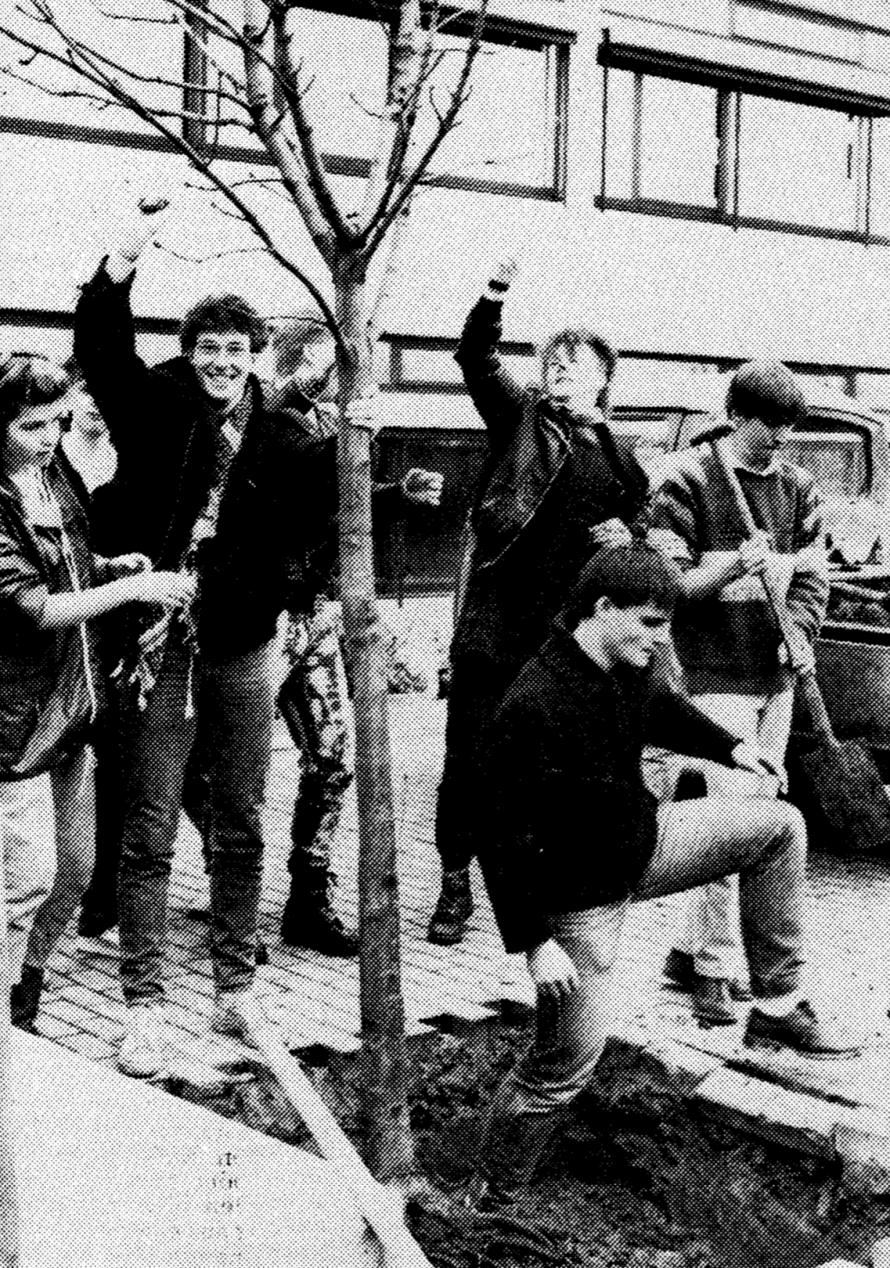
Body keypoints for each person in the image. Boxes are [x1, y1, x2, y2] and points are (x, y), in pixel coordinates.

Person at [464, 544, 858, 1212]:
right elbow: (497, 832)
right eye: (649, 622)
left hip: (641, 846)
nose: (660, 637)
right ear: (602, 608)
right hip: (575, 899)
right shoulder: (535, 701)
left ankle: (775, 1007)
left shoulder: (625, 665)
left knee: (779, 827)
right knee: (566, 1064)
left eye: (665, 623)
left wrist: (735, 748)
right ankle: (489, 1195)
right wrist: (534, 942)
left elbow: (664, 709)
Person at [73, 194, 349, 1078]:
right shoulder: (157, 404)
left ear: (256, 355)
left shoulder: (286, 435)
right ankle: (143, 1006)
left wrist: (371, 452)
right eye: (208, 349)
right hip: (159, 644)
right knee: (150, 824)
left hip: (241, 646)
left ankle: (237, 989)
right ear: (190, 353)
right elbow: (102, 351)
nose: (222, 363)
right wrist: (127, 252)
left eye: (236, 349)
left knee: (241, 820)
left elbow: (326, 514)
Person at [428, 255, 650, 945]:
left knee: (540, 772)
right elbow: (474, 356)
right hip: (496, 631)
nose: (558, 371)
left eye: (574, 363)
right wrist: (493, 294)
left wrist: (632, 534)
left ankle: (536, 889)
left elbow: (643, 527)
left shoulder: (620, 455)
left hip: (559, 643)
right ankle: (455, 883)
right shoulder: (519, 417)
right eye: (552, 361)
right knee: (468, 762)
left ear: (603, 378)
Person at [0, 351, 191, 1031]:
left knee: (75, 872)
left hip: (73, 706)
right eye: (30, 426)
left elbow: (68, 568)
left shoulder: (55, 479)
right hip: (17, 718)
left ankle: (28, 983)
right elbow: (34, 605)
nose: (48, 437)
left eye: (55, 421)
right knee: (24, 881)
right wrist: (134, 588)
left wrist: (109, 566)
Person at [652, 362, 828, 1026]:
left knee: (755, 810)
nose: (781, 438)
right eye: (768, 425)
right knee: (733, 822)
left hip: (773, 675)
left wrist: (799, 628)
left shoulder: (799, 487)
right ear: (735, 417)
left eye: (788, 426)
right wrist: (730, 565)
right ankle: (714, 969)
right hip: (709, 675)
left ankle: (685, 952)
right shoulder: (685, 479)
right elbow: (668, 582)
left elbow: (813, 575)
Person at [266, 316, 443, 955]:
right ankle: (214, 882)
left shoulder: (322, 424)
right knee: (214, 762)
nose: (336, 377)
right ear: (289, 365)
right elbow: (301, 471)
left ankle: (308, 898)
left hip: (311, 612)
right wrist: (350, 429)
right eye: (325, 364)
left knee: (333, 758)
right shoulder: (266, 420)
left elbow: (333, 498)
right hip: (253, 618)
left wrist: (393, 492)